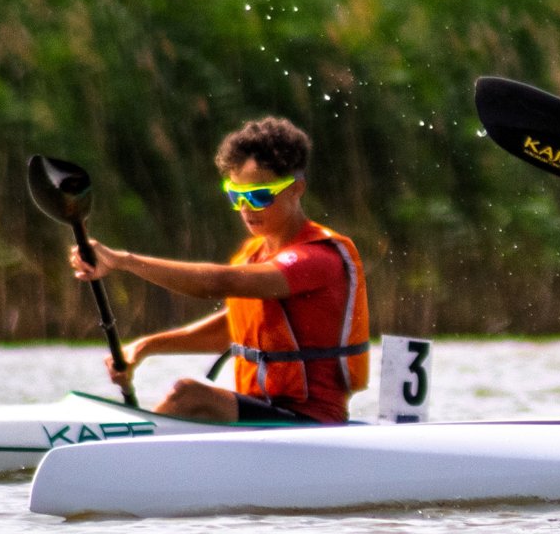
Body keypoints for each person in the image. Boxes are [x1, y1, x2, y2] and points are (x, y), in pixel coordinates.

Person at [70, 117, 368, 424]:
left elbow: (216, 282)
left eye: (259, 195)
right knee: (192, 399)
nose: (246, 208)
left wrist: (123, 261)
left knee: (188, 396)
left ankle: (129, 446)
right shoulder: (253, 254)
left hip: (312, 421)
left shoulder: (318, 256)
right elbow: (229, 329)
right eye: (236, 196)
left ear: (296, 189)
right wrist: (145, 346)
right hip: (264, 416)